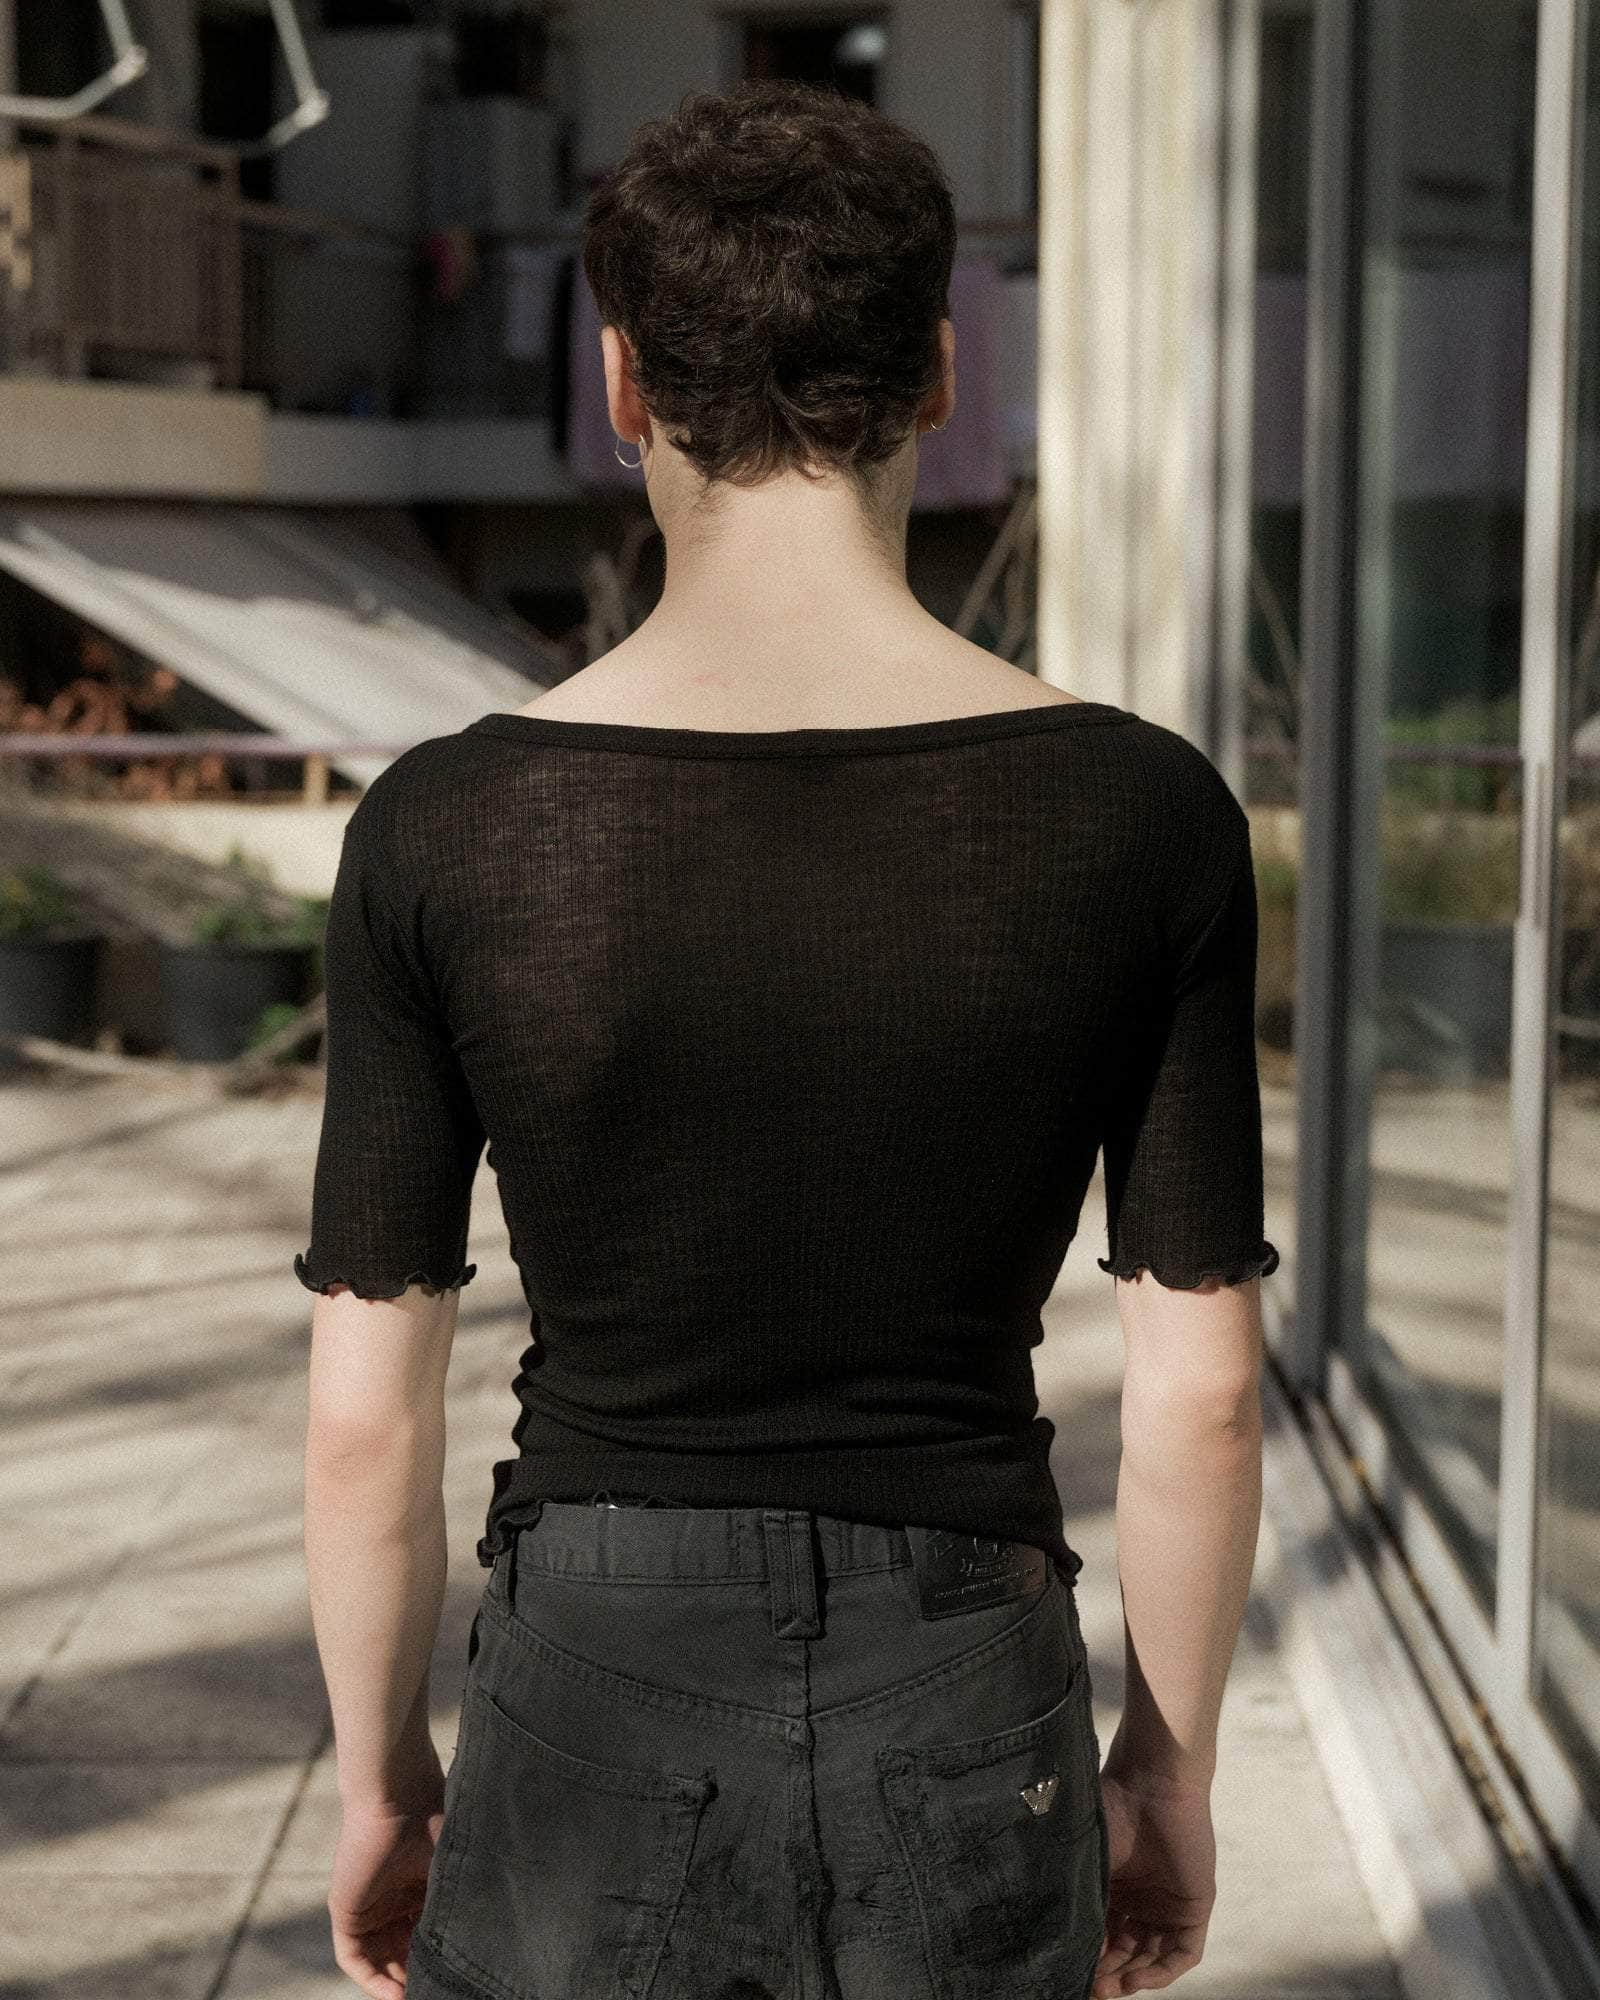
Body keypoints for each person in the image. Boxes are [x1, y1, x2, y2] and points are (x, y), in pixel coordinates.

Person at [296, 77, 1278, 2000]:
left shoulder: (449, 824)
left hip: (591, 1673)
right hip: (968, 1661)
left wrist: (384, 1786)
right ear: (938, 374)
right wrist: (1168, 1771)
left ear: (621, 385)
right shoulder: (1140, 814)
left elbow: (363, 1412)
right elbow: (1206, 1392)